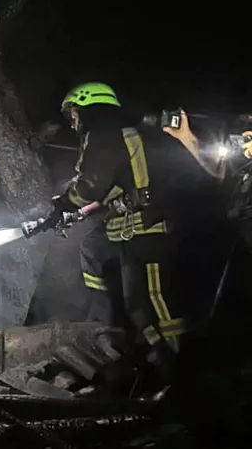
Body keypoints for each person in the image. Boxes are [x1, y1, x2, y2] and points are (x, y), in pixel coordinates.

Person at [51, 82, 217, 376]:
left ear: (88, 107)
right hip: (135, 232)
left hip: (149, 230)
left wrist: (63, 203)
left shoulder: (102, 134)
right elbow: (118, 187)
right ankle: (162, 362)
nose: (73, 120)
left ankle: (186, 369)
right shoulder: (131, 133)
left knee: (159, 302)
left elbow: (92, 184)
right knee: (138, 305)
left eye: (74, 113)